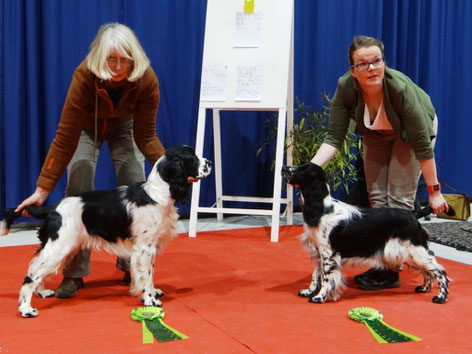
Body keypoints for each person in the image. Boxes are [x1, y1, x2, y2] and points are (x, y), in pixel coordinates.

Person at [16, 23, 165, 298]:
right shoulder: (84, 75)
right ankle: (74, 275)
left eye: (124, 60)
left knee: (135, 184)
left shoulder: (146, 79)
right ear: (100, 56)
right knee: (79, 188)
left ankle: (132, 267)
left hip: (125, 127)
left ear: (134, 58)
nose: (118, 66)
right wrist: (43, 187)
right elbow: (65, 137)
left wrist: (167, 167)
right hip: (86, 128)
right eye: (111, 58)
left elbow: (146, 136)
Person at [310, 35, 449, 290]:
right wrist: (310, 170)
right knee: (376, 200)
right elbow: (333, 138)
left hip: (411, 134)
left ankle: (392, 270)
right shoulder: (345, 87)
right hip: (375, 132)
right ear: (353, 70)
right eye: (363, 64)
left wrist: (435, 192)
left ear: (384, 62)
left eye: (377, 61)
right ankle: (384, 262)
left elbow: (422, 148)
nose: (372, 68)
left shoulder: (400, 89)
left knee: (398, 199)